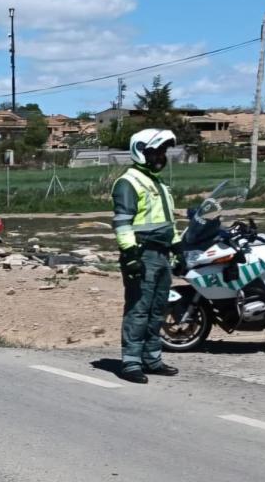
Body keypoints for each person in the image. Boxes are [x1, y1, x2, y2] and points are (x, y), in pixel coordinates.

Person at [112, 129, 184, 384]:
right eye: (156, 151)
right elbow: (122, 222)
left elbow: (167, 220)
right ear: (140, 151)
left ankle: (152, 359)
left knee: (157, 310)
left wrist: (177, 247)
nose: (161, 156)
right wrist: (130, 254)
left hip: (162, 254)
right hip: (142, 253)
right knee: (139, 309)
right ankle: (131, 362)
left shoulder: (158, 182)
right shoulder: (128, 182)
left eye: (163, 151)